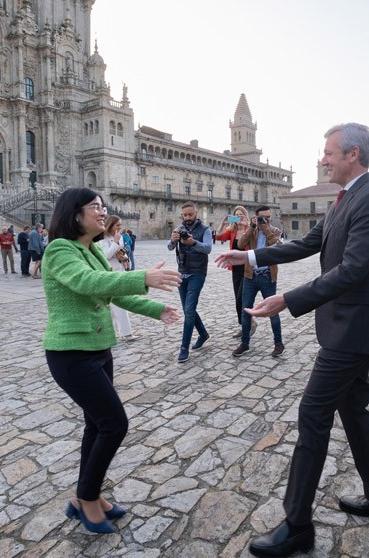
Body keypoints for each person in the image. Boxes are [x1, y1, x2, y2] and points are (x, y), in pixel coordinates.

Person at [215, 123, 369, 558]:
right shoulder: (346, 198)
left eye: (329, 153)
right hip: (345, 326)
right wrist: (251, 254)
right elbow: (310, 243)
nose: (324, 159)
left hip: (354, 329)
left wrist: (288, 299)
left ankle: (297, 524)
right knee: (353, 412)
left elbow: (352, 269)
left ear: (352, 154)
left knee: (313, 414)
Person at [42, 187, 181, 534]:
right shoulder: (60, 250)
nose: (102, 213)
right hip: (70, 354)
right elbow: (89, 283)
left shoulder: (90, 251)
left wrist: (154, 308)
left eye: (103, 207)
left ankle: (86, 496)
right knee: (114, 424)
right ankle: (86, 498)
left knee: (97, 425)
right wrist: (143, 276)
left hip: (98, 349)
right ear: (75, 214)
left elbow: (111, 291)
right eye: (95, 207)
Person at [233, 205, 284, 358]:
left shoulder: (275, 231)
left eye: (268, 217)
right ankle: (245, 343)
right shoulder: (252, 231)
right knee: (246, 310)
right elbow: (241, 244)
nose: (265, 220)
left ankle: (278, 343)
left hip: (268, 276)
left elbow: (276, 245)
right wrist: (252, 227)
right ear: (255, 217)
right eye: (262, 217)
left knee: (273, 311)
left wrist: (266, 228)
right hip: (250, 276)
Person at [168, 201, 213, 363]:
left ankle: (184, 348)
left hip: (197, 273)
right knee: (189, 308)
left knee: (188, 311)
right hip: (182, 273)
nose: (187, 218)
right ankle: (203, 334)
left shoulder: (205, 229)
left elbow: (208, 248)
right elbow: (169, 247)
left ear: (196, 213)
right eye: (185, 215)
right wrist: (173, 240)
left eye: (190, 214)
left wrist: (193, 242)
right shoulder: (179, 229)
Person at [215, 205, 256, 338]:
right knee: (237, 300)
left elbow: (252, 239)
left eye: (241, 215)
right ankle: (247, 324)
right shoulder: (232, 230)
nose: (238, 217)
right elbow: (218, 237)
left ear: (245, 215)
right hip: (235, 269)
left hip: (247, 268)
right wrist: (222, 223)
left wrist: (247, 225)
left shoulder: (250, 229)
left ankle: (248, 325)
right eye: (236, 215)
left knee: (241, 299)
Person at [97, 215, 136, 341]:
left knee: (115, 304)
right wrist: (115, 243)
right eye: (117, 225)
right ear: (110, 225)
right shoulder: (102, 239)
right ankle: (125, 332)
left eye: (120, 225)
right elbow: (105, 256)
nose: (120, 227)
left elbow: (121, 252)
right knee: (118, 303)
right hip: (109, 273)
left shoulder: (118, 238)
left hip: (120, 271)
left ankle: (112, 332)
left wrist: (123, 257)